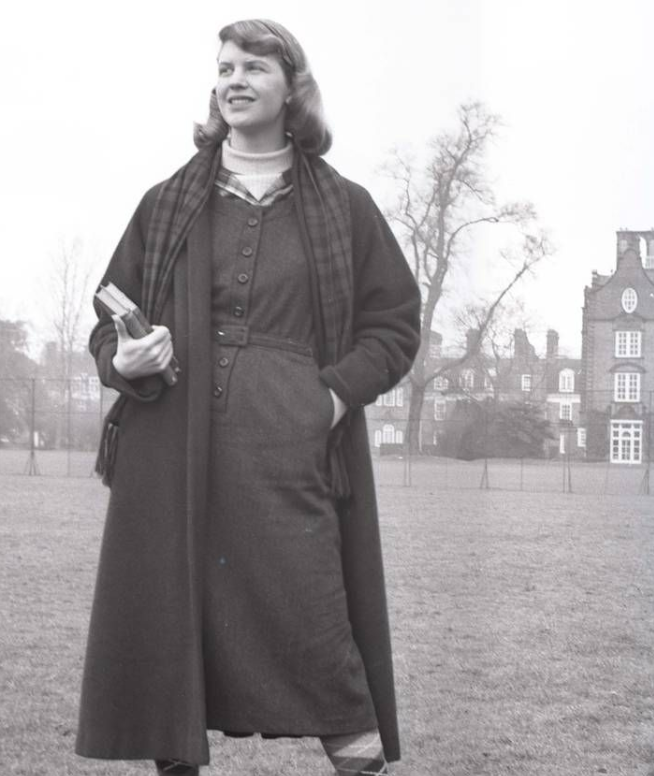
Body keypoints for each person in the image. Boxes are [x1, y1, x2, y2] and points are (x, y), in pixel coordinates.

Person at [75, 19, 421, 776]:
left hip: (289, 455)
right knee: (173, 631)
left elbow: (394, 326)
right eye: (225, 67)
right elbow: (107, 321)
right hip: (171, 450)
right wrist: (124, 357)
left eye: (254, 67)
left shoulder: (345, 207)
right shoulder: (168, 202)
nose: (234, 80)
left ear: (292, 88)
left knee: (319, 627)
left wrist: (328, 402)